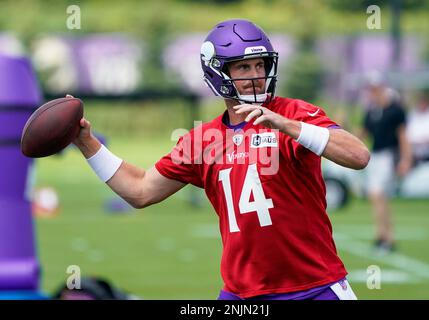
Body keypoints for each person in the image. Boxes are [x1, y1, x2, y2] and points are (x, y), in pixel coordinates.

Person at [72, 19, 370, 300]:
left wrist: (285, 125)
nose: (256, 76)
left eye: (260, 65)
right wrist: (87, 144)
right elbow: (140, 190)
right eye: (243, 67)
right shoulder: (204, 139)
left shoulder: (293, 114)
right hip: (242, 293)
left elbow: (358, 156)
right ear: (218, 73)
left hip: (314, 288)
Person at [361, 71, 412, 254]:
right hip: (375, 156)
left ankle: (385, 236)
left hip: (389, 155)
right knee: (378, 198)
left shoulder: (395, 110)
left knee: (378, 195)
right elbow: (362, 135)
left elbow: (403, 136)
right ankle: (384, 236)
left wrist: (406, 159)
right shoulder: (372, 111)